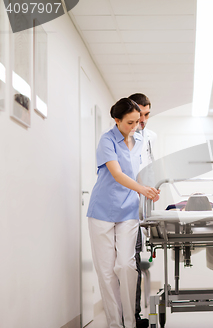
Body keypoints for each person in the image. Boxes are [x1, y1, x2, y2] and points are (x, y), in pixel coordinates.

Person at [87, 98, 160, 328]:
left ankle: (130, 322)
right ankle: (114, 324)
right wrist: (142, 190)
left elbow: (138, 174)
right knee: (107, 271)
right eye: (130, 122)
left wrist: (151, 189)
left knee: (127, 266)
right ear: (117, 120)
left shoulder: (139, 140)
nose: (136, 126)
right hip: (102, 210)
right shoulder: (107, 140)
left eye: (138, 121)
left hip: (128, 209)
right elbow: (117, 174)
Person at [128, 93, 157, 328]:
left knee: (135, 260)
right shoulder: (121, 136)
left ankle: (134, 315)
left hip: (141, 207)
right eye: (140, 114)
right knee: (126, 263)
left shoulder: (149, 137)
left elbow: (151, 169)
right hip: (124, 207)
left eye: (147, 114)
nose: (143, 119)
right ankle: (129, 315)